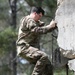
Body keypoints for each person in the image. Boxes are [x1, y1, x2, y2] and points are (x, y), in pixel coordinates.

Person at [16, 6, 56, 75]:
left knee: (48, 65)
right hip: (24, 48)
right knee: (43, 56)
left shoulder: (34, 22)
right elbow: (36, 30)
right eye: (39, 16)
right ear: (35, 13)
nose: (40, 18)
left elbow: (41, 28)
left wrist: (52, 26)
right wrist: (49, 26)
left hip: (28, 49)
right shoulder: (29, 19)